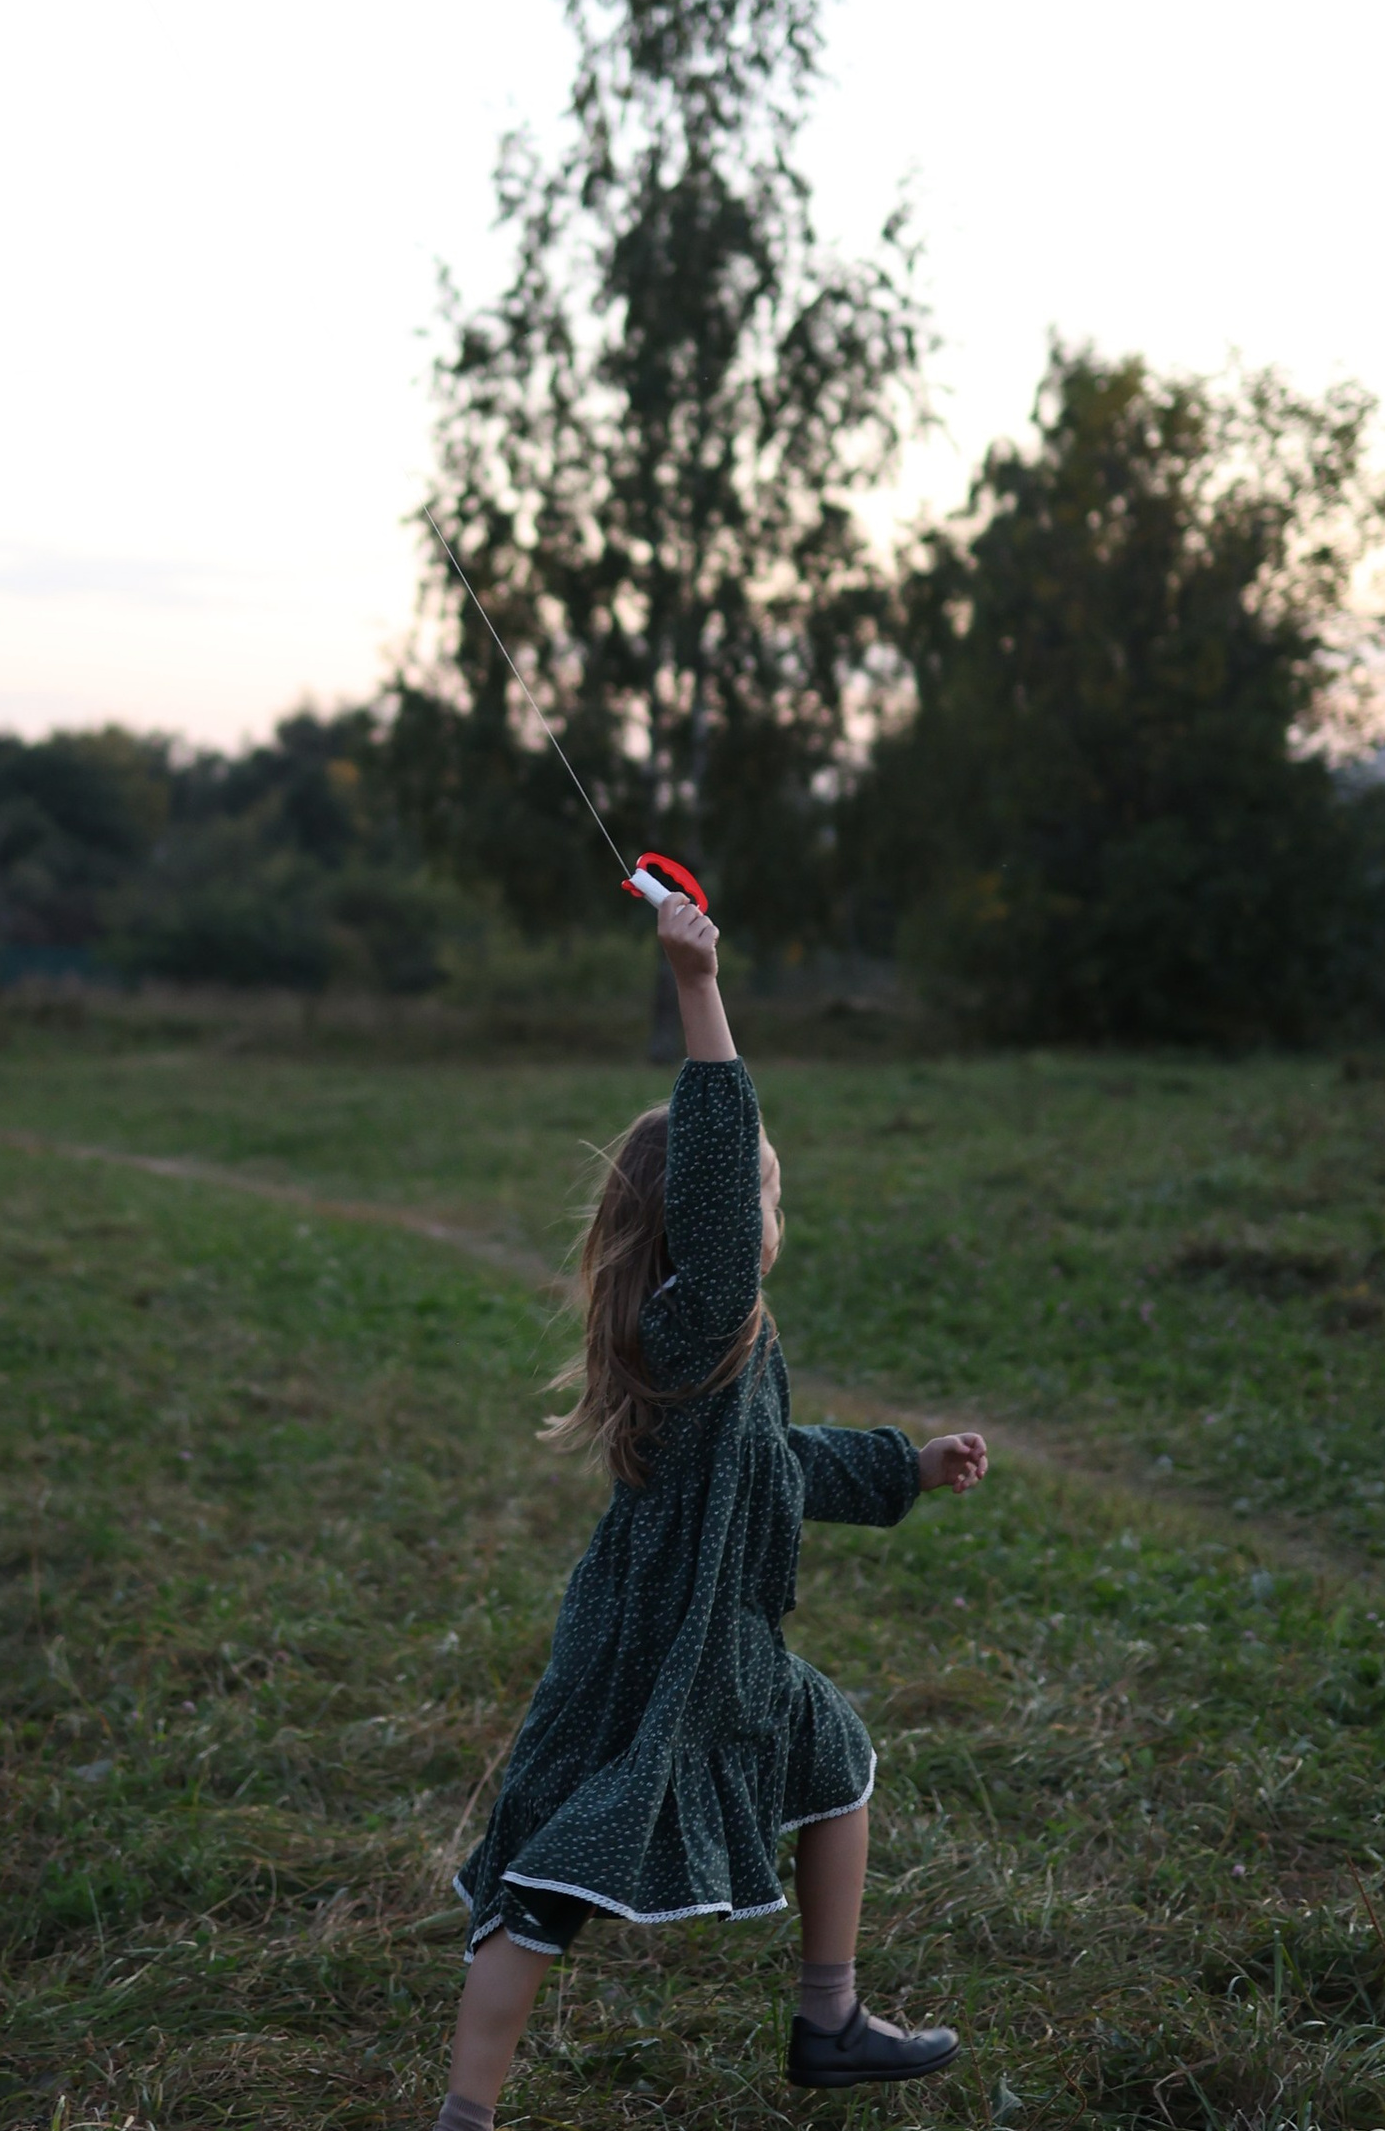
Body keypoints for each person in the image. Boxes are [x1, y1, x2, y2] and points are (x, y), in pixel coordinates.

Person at [433, 889, 989, 2128]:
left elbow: (774, 1461)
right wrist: (698, 988)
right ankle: (464, 2117)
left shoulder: (705, 1341)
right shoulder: (699, 1317)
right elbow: (726, 1187)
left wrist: (903, 1464)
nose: (765, 1219)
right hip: (664, 1648)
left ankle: (830, 2017)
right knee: (550, 1877)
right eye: (755, 1201)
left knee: (835, 1757)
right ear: (719, 1221)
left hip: (714, 1645)